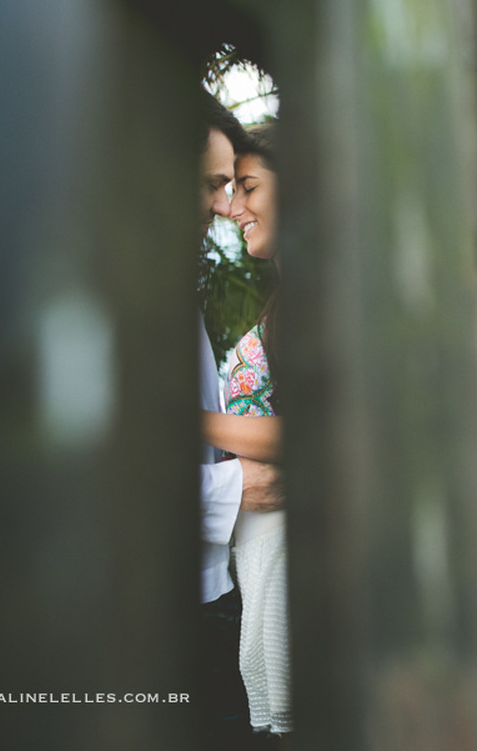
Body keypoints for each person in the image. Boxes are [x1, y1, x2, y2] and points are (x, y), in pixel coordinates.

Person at [196, 94, 284, 749]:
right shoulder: (276, 301)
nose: (230, 205)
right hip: (241, 556)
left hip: (269, 553)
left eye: (245, 186)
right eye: (224, 186)